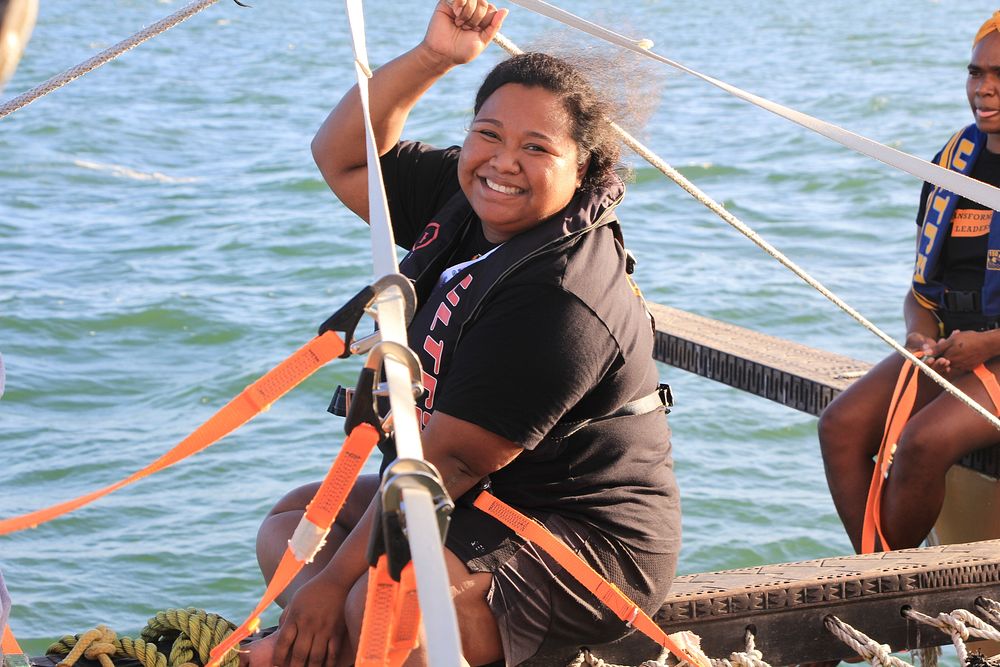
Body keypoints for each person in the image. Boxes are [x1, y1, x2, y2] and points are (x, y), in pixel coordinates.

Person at [245, 1, 681, 666]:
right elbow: (342, 157)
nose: (503, 162)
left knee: (383, 605)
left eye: (537, 148)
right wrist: (435, 57)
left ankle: (334, 641)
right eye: (489, 134)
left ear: (586, 168)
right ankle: (330, 647)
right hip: (481, 499)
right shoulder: (463, 196)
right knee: (290, 530)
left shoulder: (564, 296)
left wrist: (333, 590)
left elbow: (449, 463)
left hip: (585, 533)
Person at [818, 10, 1000, 554]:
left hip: (991, 350)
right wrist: (919, 337)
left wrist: (988, 344)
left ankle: (884, 585)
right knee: (840, 428)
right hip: (952, 346)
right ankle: (880, 576)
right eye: (975, 73)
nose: (984, 88)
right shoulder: (953, 164)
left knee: (922, 441)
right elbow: (920, 290)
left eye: (999, 75)